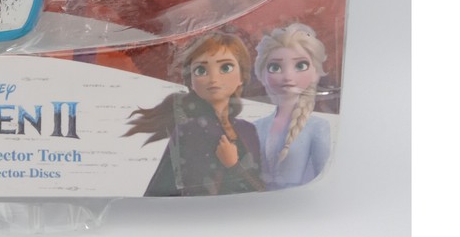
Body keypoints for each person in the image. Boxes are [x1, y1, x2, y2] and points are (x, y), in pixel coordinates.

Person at [125, 32, 264, 196]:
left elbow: (262, 191)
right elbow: (194, 193)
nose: (214, 78)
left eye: (225, 68)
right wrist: (233, 167)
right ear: (190, 80)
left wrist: (233, 165)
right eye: (201, 70)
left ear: (242, 76)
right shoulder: (191, 131)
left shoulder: (248, 130)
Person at [252, 23, 331, 189]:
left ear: (315, 72)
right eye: (275, 67)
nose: (288, 76)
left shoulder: (318, 127)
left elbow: (325, 179)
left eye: (300, 66)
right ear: (262, 74)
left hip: (299, 201)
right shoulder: (256, 126)